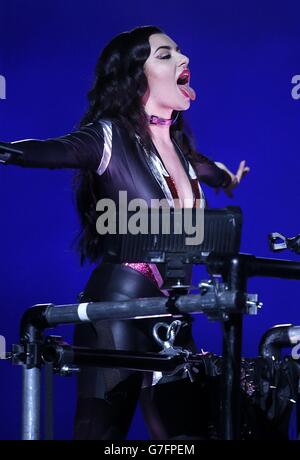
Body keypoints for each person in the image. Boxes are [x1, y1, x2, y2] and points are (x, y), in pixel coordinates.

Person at [0, 25, 249, 439]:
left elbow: (211, 169)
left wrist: (227, 179)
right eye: (165, 55)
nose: (183, 59)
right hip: (117, 308)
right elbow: (52, 150)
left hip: (172, 315)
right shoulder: (109, 136)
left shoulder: (182, 153)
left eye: (180, 51)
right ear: (136, 77)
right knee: (101, 437)